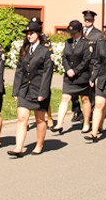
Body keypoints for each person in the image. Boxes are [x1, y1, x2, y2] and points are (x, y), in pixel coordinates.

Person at [8, 18, 54, 157]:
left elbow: (47, 73)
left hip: (39, 89)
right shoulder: (25, 49)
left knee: (40, 119)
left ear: (38, 34)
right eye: (27, 33)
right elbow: (19, 70)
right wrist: (16, 89)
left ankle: (39, 145)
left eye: (32, 33)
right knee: (22, 118)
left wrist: (43, 92)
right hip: (25, 89)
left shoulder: (46, 50)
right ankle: (18, 148)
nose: (29, 36)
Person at [53, 20, 93, 133]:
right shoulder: (68, 42)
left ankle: (86, 123)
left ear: (80, 31)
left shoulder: (87, 43)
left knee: (84, 99)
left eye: (74, 33)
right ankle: (59, 124)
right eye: (70, 32)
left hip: (81, 76)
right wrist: (68, 70)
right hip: (69, 76)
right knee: (65, 98)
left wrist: (75, 71)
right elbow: (64, 57)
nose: (71, 35)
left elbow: (86, 60)